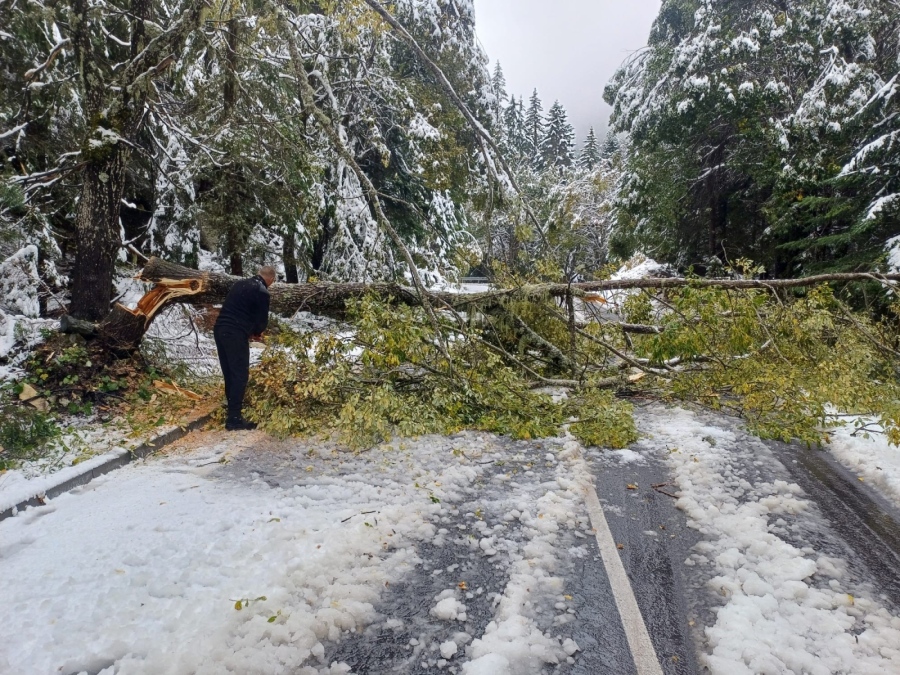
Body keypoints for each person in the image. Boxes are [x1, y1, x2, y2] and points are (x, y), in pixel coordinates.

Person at [214, 266, 275, 431]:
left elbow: (237, 308)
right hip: (235, 332)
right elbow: (262, 320)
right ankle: (234, 419)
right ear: (271, 279)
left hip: (220, 329)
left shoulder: (239, 284)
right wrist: (256, 332)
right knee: (240, 374)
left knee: (229, 372)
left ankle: (232, 411)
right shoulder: (262, 291)